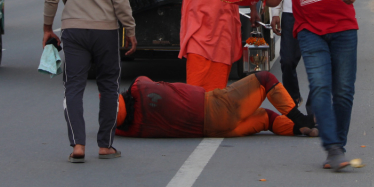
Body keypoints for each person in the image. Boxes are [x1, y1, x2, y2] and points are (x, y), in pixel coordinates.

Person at [259, 0, 374, 171]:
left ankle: (340, 145)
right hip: (309, 31)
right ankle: (332, 148)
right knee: (320, 88)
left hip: (344, 29)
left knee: (343, 91)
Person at [43, 0, 138, 163]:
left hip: (73, 29)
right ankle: (105, 145)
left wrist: (47, 27)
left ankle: (78, 146)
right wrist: (129, 28)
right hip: (105, 30)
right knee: (108, 86)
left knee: (73, 87)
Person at [115, 71, 317, 138]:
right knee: (265, 79)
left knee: (265, 118)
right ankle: (301, 120)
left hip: (213, 131)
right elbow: (140, 81)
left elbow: (114, 129)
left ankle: (301, 130)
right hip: (215, 107)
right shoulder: (139, 87)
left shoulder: (132, 129)